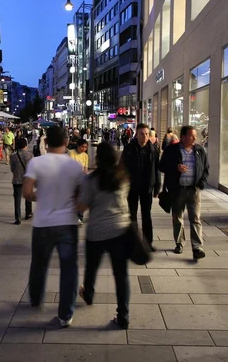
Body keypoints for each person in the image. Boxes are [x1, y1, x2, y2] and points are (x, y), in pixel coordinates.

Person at [23, 125, 85, 328]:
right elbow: (81, 196)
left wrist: (38, 196)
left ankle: (35, 298)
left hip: (42, 223)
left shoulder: (36, 162)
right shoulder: (74, 166)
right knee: (69, 269)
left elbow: (26, 192)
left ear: (46, 142)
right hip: (67, 223)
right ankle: (66, 315)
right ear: (66, 142)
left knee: (39, 263)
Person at [77, 142, 131, 329]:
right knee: (121, 275)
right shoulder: (123, 178)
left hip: (97, 232)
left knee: (91, 267)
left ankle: (89, 294)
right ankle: (123, 316)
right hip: (120, 231)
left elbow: (81, 207)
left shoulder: (91, 180)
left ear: (97, 158)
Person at [159, 125, 209, 260]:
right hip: (177, 189)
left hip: (193, 190)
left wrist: (201, 184)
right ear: (183, 137)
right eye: (191, 136)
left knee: (196, 219)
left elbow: (205, 168)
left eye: (195, 136)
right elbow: (161, 165)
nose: (194, 138)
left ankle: (197, 247)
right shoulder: (172, 150)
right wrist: (176, 167)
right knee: (177, 217)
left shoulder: (199, 150)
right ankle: (180, 243)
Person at [120, 123, 161, 251]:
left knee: (146, 215)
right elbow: (122, 168)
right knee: (132, 215)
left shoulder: (153, 150)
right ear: (136, 135)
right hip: (132, 187)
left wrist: (157, 187)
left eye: (147, 134)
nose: (145, 136)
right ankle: (133, 242)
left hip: (147, 187)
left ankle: (148, 242)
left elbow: (157, 169)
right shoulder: (129, 148)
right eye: (142, 134)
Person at [10, 138, 33, 225]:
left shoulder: (13, 156)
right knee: (28, 196)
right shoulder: (30, 155)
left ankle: (17, 217)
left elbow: (12, 169)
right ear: (25, 145)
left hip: (17, 179)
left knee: (17, 199)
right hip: (28, 179)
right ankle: (28, 213)